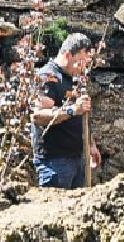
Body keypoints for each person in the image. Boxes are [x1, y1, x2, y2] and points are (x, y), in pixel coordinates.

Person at [29, 32, 102, 188]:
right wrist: (72, 110)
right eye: (80, 61)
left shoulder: (75, 79)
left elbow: (82, 114)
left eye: (86, 62)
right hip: (55, 162)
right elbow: (38, 116)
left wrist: (90, 144)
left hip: (78, 158)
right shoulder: (47, 77)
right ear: (68, 55)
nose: (83, 67)